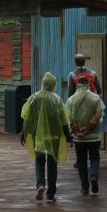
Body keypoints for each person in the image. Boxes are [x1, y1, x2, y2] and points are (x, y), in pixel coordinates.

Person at [20, 72, 72, 201]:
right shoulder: (57, 99)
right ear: (53, 85)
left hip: (39, 137)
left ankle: (40, 184)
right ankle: (51, 194)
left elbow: (27, 118)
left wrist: (23, 133)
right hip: (54, 137)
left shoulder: (33, 98)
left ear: (43, 83)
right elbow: (64, 121)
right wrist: (69, 137)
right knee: (52, 163)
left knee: (39, 160)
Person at [66, 76, 105, 195]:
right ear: (88, 85)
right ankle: (93, 177)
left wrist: (78, 131)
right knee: (95, 158)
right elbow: (98, 115)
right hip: (93, 137)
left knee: (81, 161)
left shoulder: (71, 100)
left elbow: (69, 117)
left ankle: (84, 187)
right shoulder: (96, 98)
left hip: (79, 138)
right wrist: (88, 129)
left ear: (77, 86)